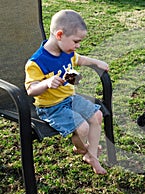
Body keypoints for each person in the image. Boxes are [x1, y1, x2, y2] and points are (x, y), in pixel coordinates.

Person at [25, 10, 108, 174]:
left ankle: (91, 156)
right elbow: (30, 90)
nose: (77, 46)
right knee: (83, 128)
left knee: (97, 116)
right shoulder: (37, 62)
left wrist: (97, 62)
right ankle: (85, 150)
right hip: (51, 107)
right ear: (60, 35)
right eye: (76, 41)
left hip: (70, 98)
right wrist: (47, 83)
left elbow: (80, 59)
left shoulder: (66, 52)